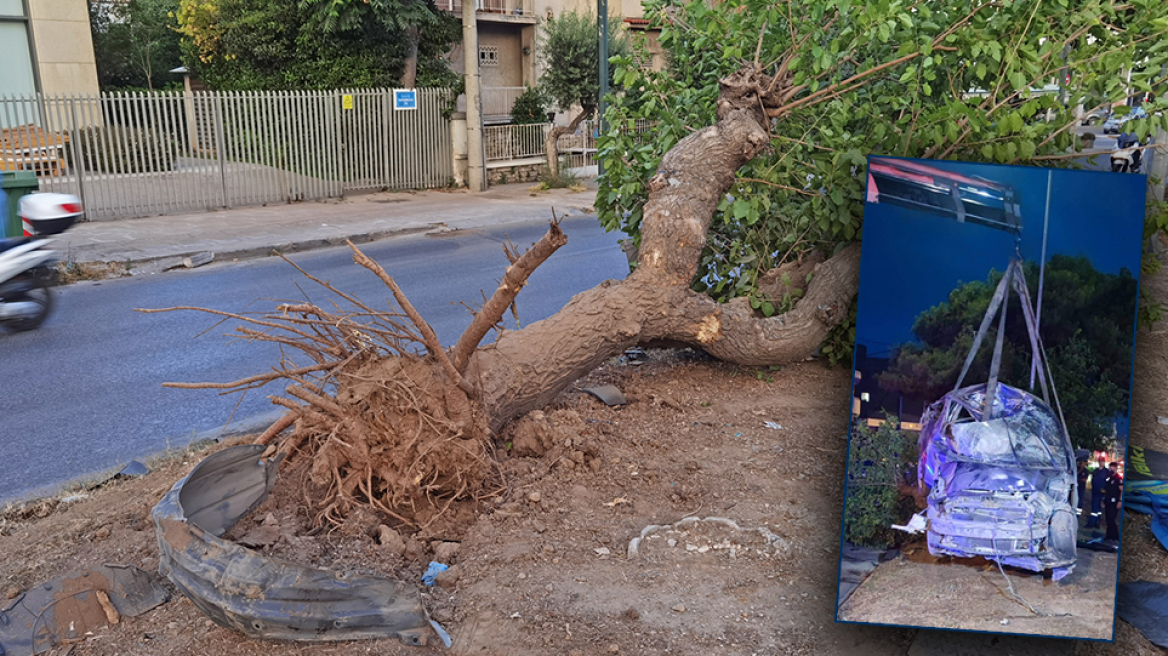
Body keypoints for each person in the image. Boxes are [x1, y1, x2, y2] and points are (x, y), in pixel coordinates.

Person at [1104, 462, 1123, 543]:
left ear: (1116, 468)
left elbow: (1121, 490)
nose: (1111, 469)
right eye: (1110, 467)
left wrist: (1120, 501)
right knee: (1108, 519)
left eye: (1112, 467)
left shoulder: (1118, 478)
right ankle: (1109, 536)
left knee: (1112, 519)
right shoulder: (1109, 478)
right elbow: (1107, 490)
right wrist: (1103, 500)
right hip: (1108, 501)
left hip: (1114, 502)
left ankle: (1115, 537)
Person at [1088, 458, 1109, 529]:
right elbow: (1093, 479)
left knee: (1097, 508)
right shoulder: (1096, 471)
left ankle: (1093, 523)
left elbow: (1108, 482)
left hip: (1102, 493)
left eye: (1102, 461)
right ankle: (1095, 523)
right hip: (1095, 491)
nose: (1101, 463)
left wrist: (1105, 490)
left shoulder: (1106, 472)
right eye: (1100, 461)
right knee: (1095, 508)